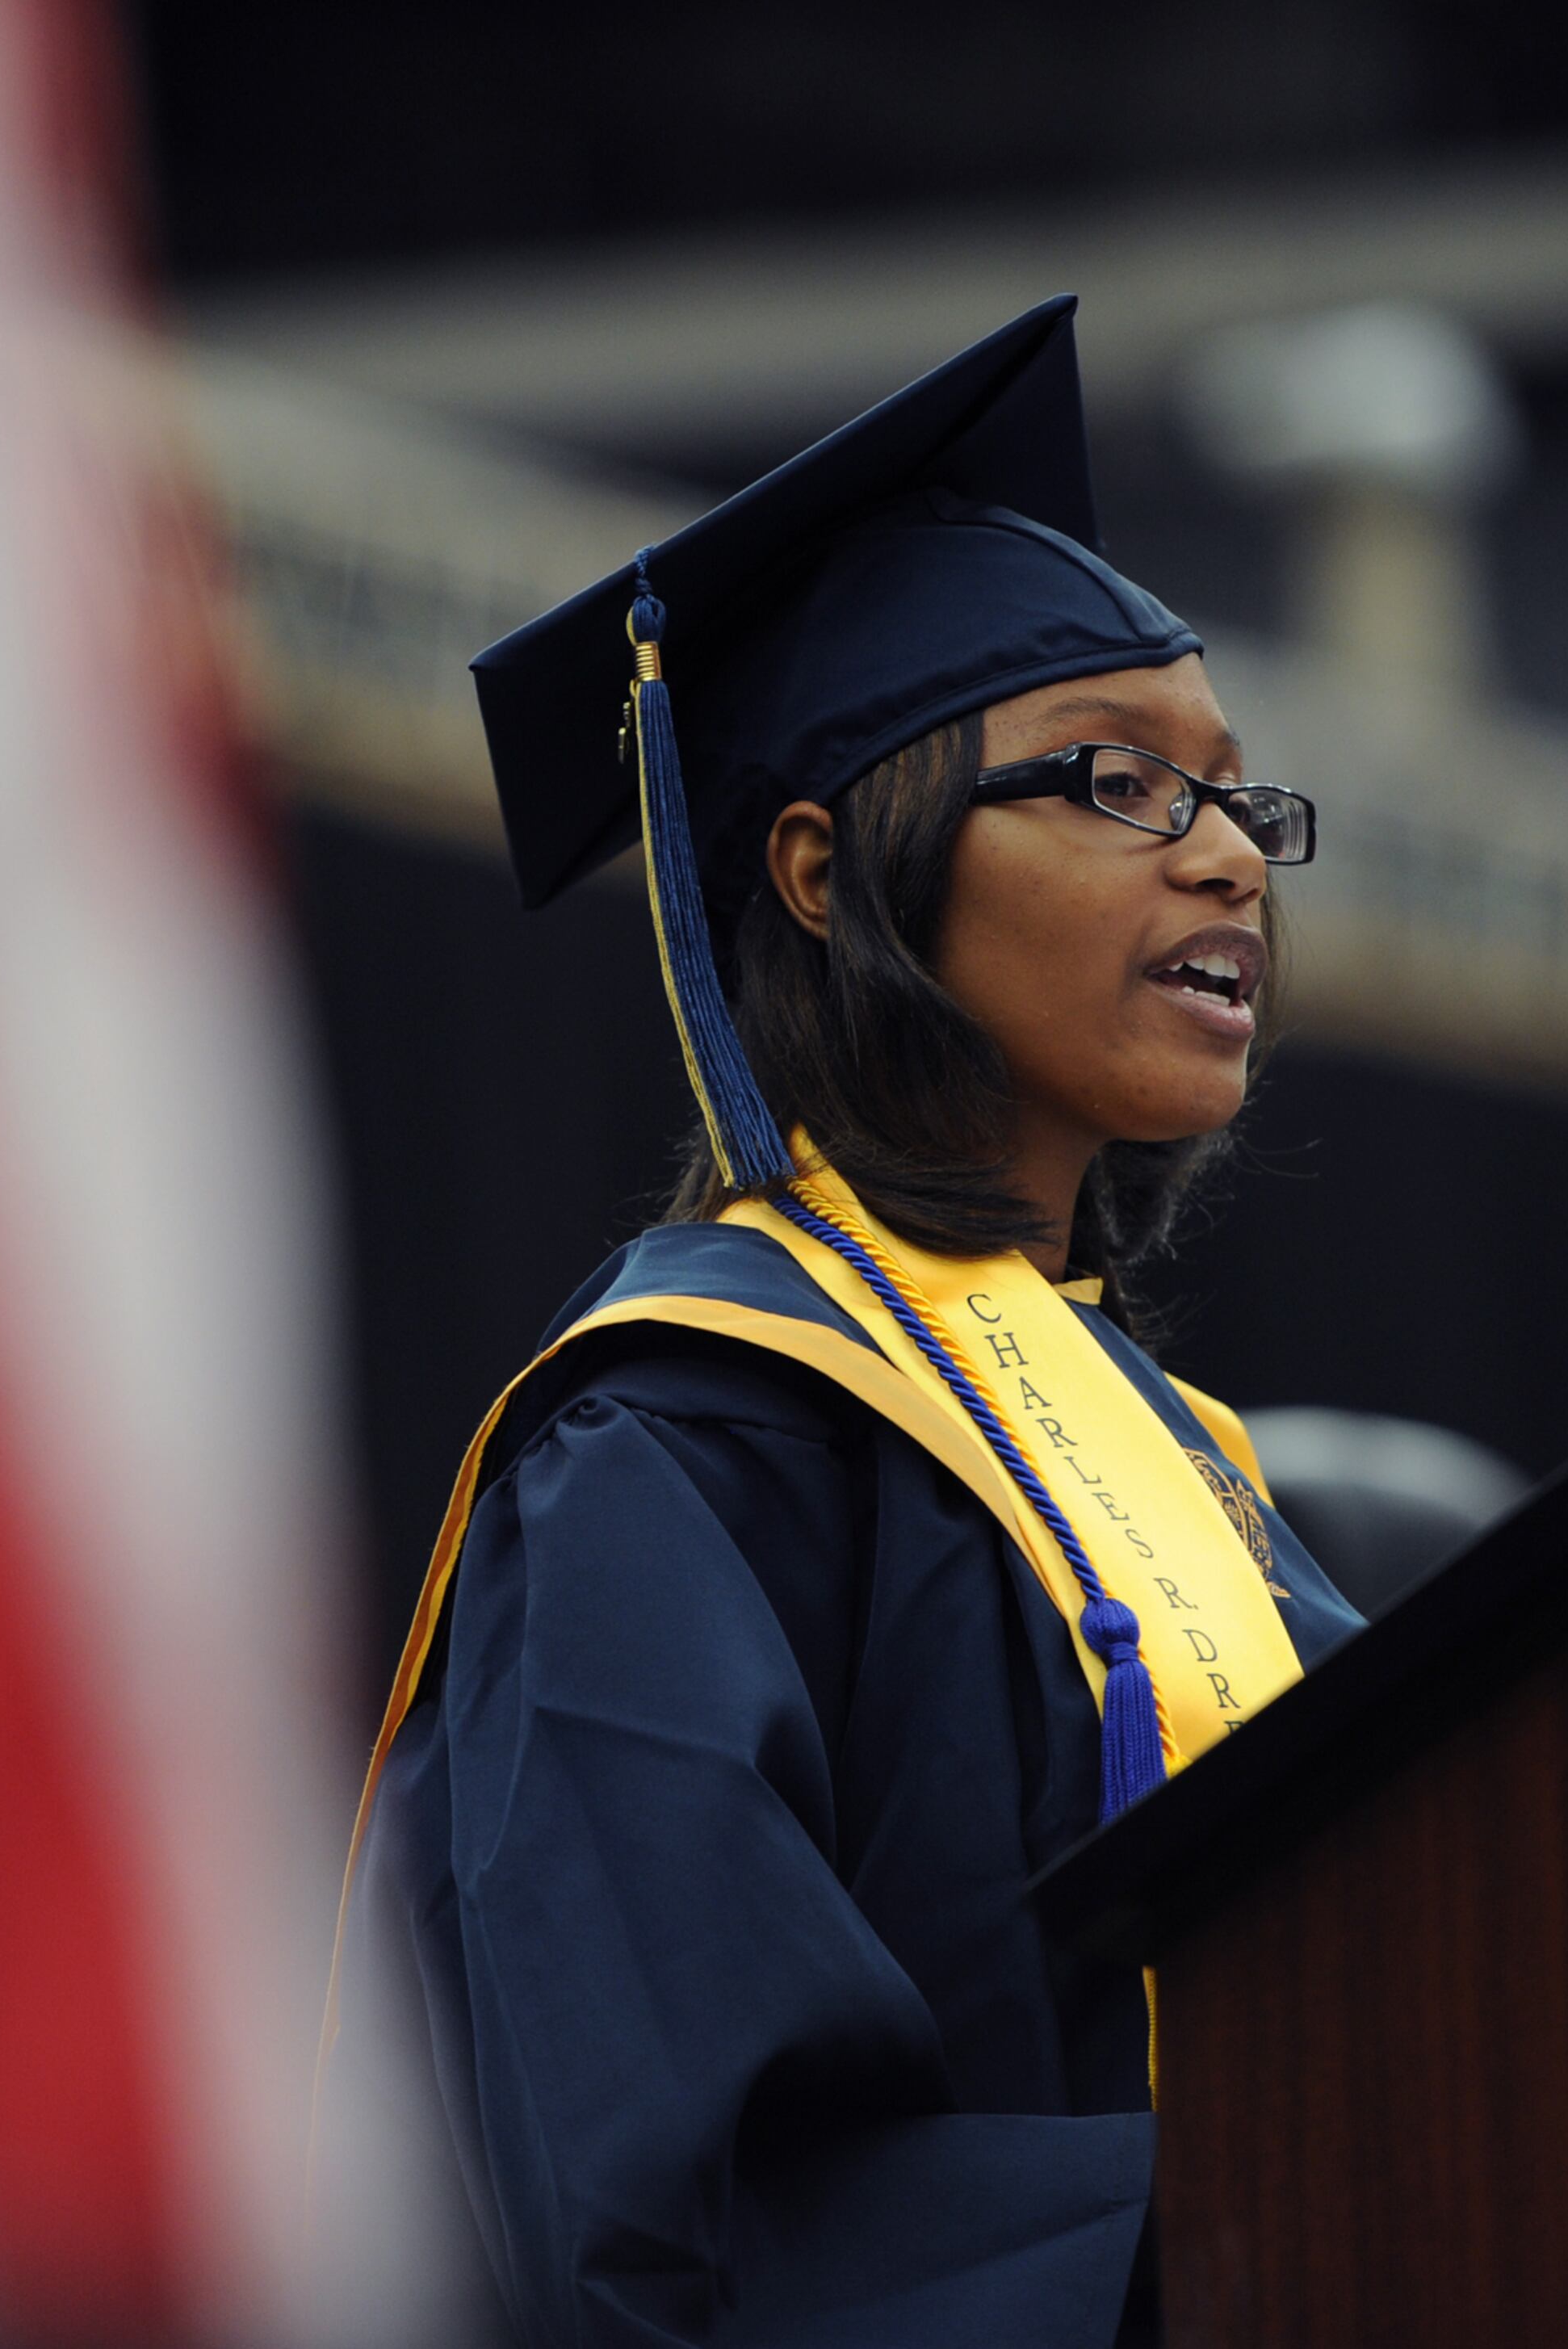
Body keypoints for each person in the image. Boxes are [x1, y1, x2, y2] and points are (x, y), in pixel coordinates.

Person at [331, 298, 1365, 2346]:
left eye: (1246, 801)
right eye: (1120, 784)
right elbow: (695, 2214)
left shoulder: (1183, 1470)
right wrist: (1342, 2216)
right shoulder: (678, 1454)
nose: (1236, 856)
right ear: (825, 869)